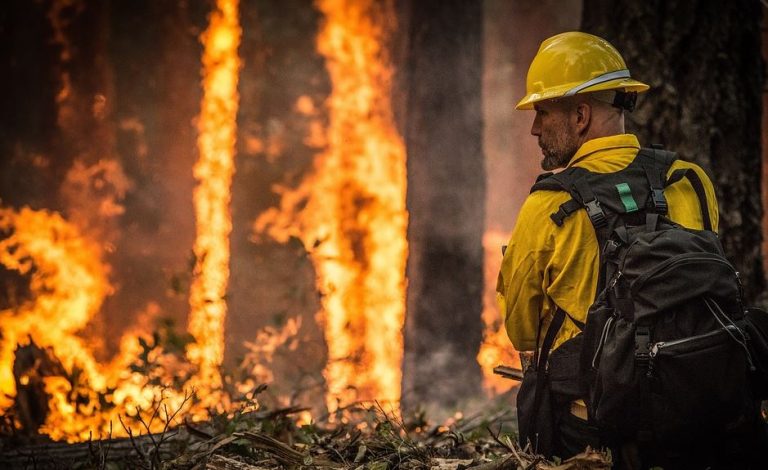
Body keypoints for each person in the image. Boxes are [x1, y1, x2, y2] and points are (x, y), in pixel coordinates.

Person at [495, 31, 766, 467]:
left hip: (597, 431)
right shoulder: (689, 180)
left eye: (543, 111)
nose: (534, 127)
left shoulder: (547, 207)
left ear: (580, 115)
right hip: (703, 410)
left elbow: (523, 333)